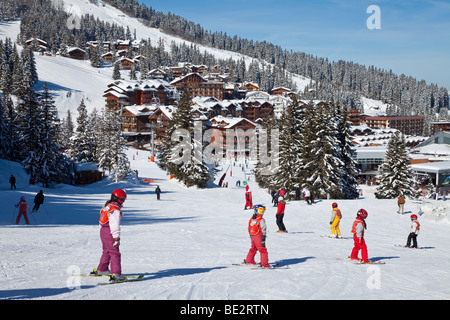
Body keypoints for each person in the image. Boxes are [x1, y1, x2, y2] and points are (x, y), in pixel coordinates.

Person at [91, 189, 127, 281]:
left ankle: (102, 269)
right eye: (123, 200)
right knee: (115, 253)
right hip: (109, 231)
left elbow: (102, 219)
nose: (123, 202)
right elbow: (114, 225)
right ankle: (116, 274)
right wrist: (116, 238)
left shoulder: (107, 206)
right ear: (119, 199)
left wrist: (104, 231)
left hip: (103, 231)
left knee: (106, 251)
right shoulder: (115, 210)